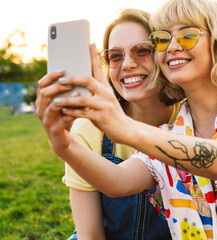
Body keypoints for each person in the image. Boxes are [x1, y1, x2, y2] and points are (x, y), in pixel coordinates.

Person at [36, 0, 217, 239]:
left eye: (187, 35)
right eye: (162, 39)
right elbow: (117, 182)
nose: (172, 46)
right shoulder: (170, 132)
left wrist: (123, 128)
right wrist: (63, 144)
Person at [37, 8, 184, 240]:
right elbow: (91, 235)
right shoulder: (87, 129)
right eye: (115, 56)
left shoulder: (189, 120)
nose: (127, 64)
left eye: (142, 51)